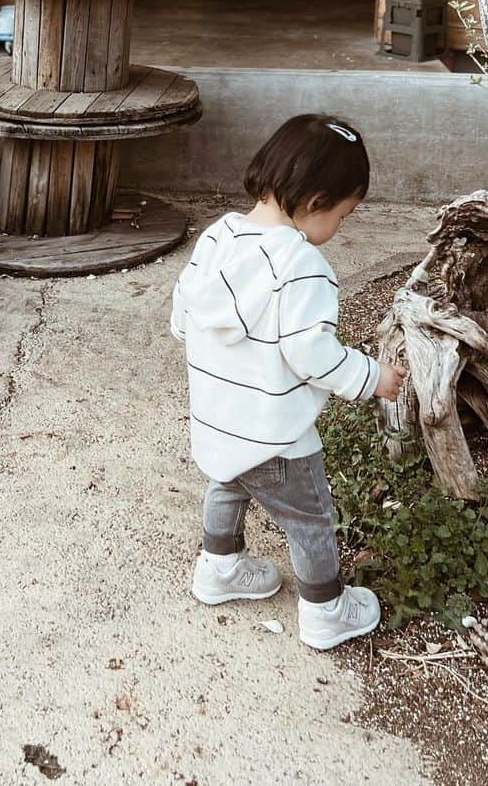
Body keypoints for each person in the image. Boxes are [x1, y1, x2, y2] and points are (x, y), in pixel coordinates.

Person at [171, 114, 406, 650]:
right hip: (277, 434)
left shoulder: (218, 237)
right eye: (343, 215)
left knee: (227, 482)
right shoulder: (302, 265)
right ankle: (326, 609)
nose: (339, 227)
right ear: (316, 200)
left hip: (220, 418)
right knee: (311, 516)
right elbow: (310, 353)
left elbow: (183, 316)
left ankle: (220, 570)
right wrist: (372, 377)